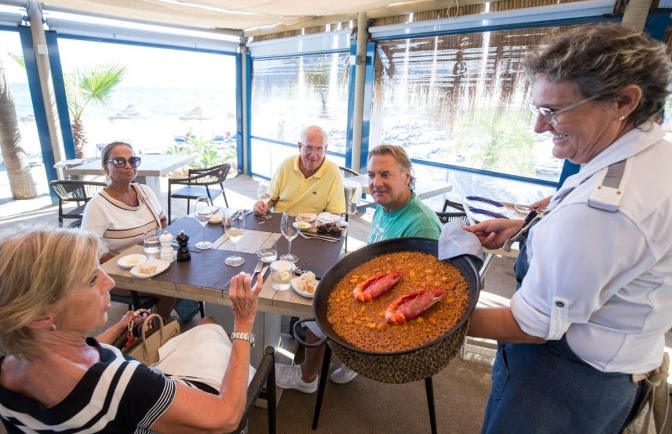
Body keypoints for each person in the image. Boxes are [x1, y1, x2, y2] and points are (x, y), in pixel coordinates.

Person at [463, 23, 672, 433]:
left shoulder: (605, 210)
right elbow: (593, 235)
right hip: (617, 366)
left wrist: (428, 321)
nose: (540, 127)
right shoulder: (652, 154)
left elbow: (532, 326)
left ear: (624, 101)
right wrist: (527, 227)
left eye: (554, 111)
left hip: (562, 383)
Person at [0, 226, 263, 433]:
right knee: (215, 332)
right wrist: (244, 322)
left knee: (205, 327)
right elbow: (225, 417)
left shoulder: (2, 366)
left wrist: (118, 328)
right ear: (40, 315)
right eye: (92, 280)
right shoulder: (120, 385)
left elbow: (80, 356)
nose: (110, 282)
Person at [275, 144, 443, 392]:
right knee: (312, 276)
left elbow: (420, 293)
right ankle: (337, 354)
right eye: (372, 175)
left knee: (316, 304)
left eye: (386, 174)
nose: (376, 183)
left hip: (391, 314)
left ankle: (307, 377)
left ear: (406, 177)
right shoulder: (385, 208)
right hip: (376, 289)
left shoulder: (423, 225)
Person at [80, 141, 177, 318]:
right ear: (105, 167)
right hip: (119, 273)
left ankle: (165, 314)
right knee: (170, 290)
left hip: (153, 262)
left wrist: (158, 245)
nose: (128, 166)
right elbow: (87, 250)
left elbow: (162, 219)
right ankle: (153, 329)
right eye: (119, 161)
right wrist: (127, 260)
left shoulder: (144, 191)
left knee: (186, 274)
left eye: (133, 161)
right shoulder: (97, 206)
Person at [253, 125, 345, 216]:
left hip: (312, 226)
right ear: (299, 146)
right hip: (280, 221)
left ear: (326, 149)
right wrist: (262, 205)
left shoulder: (333, 172)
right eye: (309, 147)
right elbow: (271, 197)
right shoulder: (286, 164)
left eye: (319, 149)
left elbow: (335, 213)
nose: (313, 154)